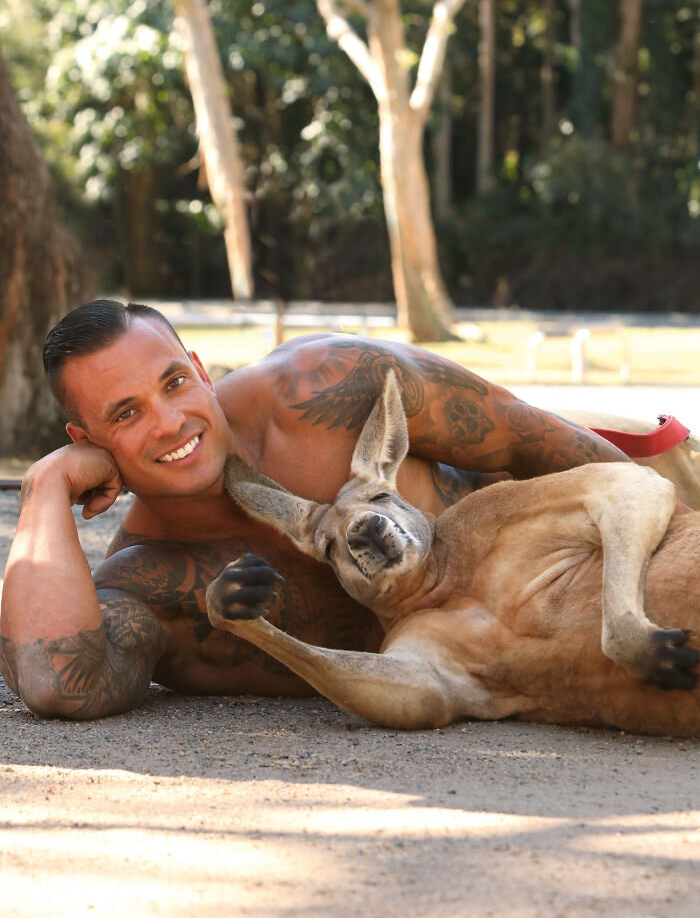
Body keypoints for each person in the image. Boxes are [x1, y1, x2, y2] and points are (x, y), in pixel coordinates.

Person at [0, 300, 630, 720]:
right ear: (85, 442)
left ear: (200, 370)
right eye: (126, 414)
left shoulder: (328, 386)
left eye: (174, 383)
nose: (170, 423)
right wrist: (45, 487)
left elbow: (540, 441)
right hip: (525, 678)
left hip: (573, 584)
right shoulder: (149, 578)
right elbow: (58, 683)